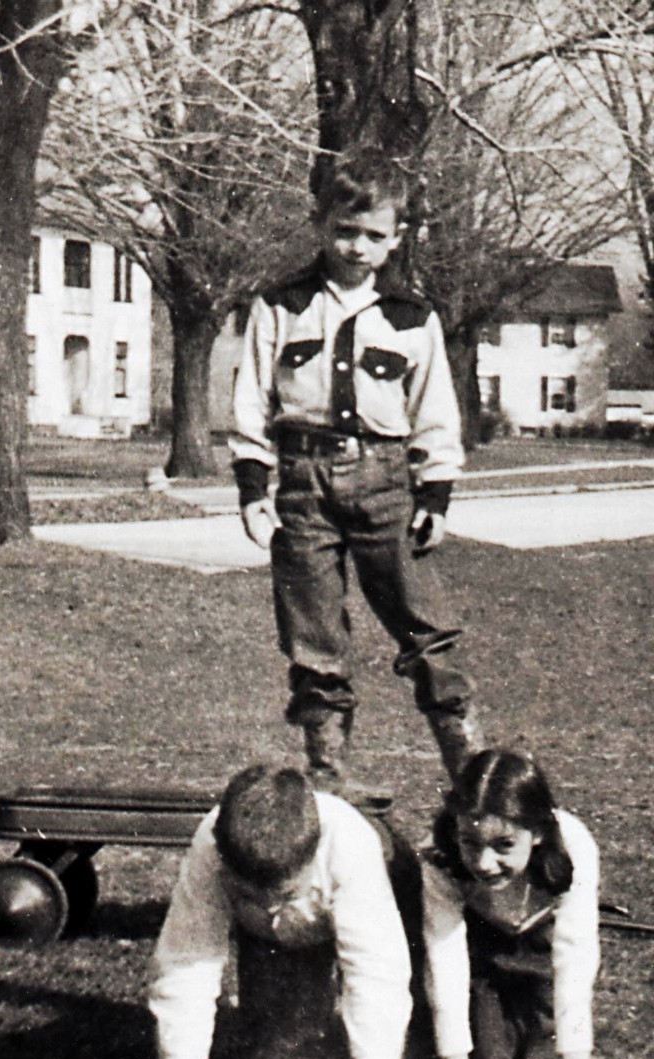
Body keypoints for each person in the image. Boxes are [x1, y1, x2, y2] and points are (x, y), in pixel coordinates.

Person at [229, 146, 482, 783]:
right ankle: (330, 775)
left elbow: (434, 413)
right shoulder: (280, 305)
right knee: (313, 636)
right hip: (302, 487)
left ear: (397, 238)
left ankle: (471, 777)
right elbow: (251, 402)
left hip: (385, 486)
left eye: (374, 235)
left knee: (424, 627)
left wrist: (435, 496)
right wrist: (253, 489)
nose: (357, 247)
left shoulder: (411, 318)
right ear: (320, 224)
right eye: (345, 230)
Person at [149, 763, 413, 1059]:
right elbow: (187, 965)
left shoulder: (351, 849)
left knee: (405, 1047)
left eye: (286, 895)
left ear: (314, 854)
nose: (270, 908)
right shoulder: (211, 846)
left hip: (384, 893)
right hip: (283, 934)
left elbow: (376, 979)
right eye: (249, 896)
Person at [419, 749, 600, 1059]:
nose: (484, 863)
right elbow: (445, 957)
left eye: (504, 845)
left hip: (543, 935)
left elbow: (575, 960)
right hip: (483, 938)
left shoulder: (575, 846)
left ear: (538, 832)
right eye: (470, 843)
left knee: (543, 1057)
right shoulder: (438, 856)